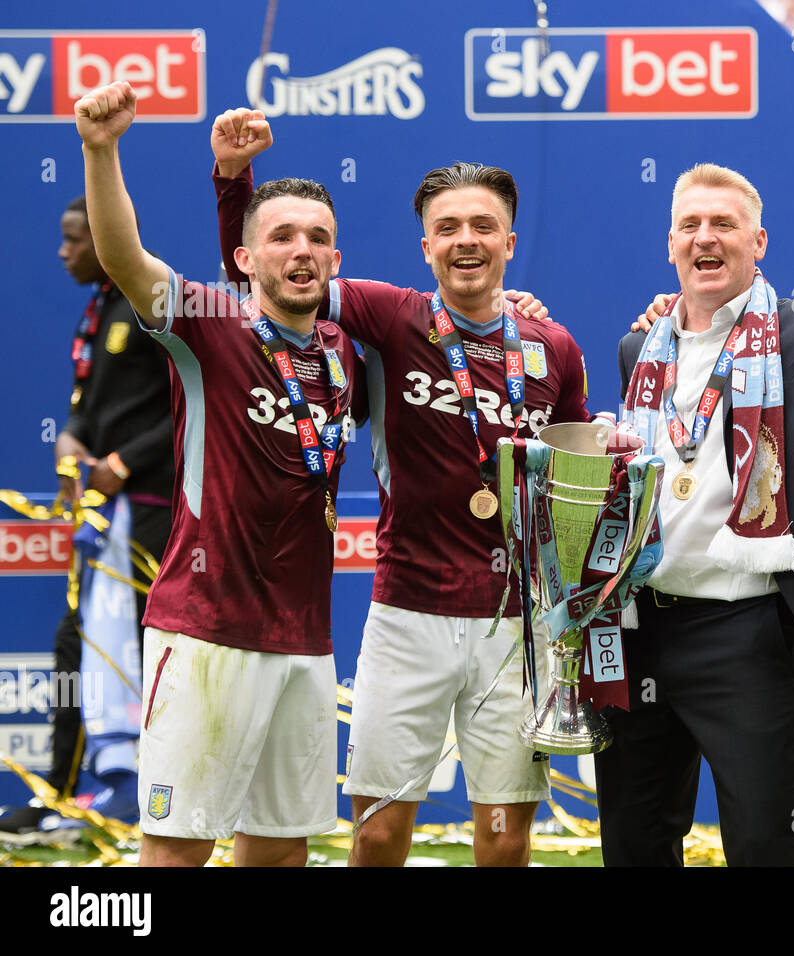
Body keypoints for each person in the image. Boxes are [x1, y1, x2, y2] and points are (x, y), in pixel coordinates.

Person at [210, 109, 590, 866]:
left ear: (509, 243)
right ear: (426, 247)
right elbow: (270, 280)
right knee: (380, 832)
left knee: (504, 837)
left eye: (483, 226)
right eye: (447, 228)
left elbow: (574, 483)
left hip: (512, 625)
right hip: (406, 613)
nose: (466, 241)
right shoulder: (387, 315)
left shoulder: (555, 347)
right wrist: (232, 184)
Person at [75, 80, 365, 866]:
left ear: (335, 259)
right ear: (245, 256)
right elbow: (124, 259)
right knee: (174, 856)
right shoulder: (208, 327)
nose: (300, 251)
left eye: (317, 238)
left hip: (305, 644)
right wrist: (102, 151)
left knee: (278, 852)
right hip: (206, 633)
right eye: (281, 238)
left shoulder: (343, 354)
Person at [601, 163, 794, 866]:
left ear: (760, 242)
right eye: (690, 225)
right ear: (670, 245)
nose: (705, 238)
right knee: (633, 843)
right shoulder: (640, 348)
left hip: (744, 631)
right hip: (639, 628)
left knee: (765, 843)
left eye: (724, 224)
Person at [0, 198, 173, 838]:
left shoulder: (157, 305)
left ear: (104, 241)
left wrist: (126, 462)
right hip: (103, 518)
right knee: (77, 645)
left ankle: (154, 796)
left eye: (75, 240)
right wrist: (70, 439)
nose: (62, 251)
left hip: (151, 512)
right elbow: (89, 404)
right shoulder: (100, 308)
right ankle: (60, 794)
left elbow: (190, 404)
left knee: (151, 650)